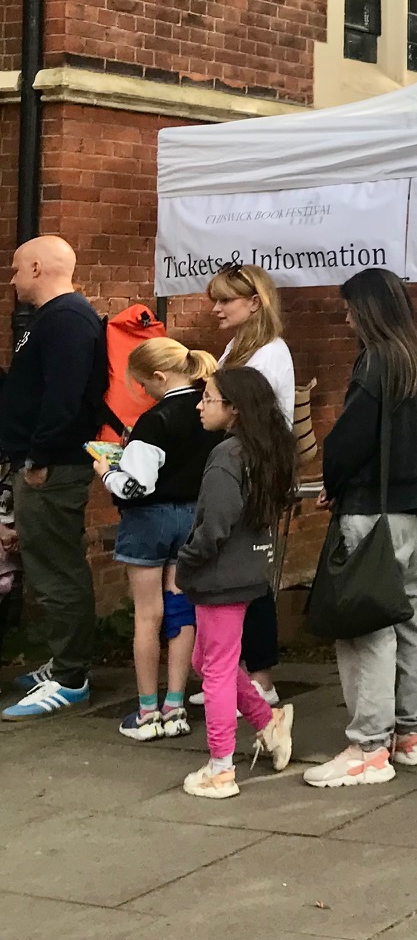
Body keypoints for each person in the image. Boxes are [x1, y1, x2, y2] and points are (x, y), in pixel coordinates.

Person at [303, 268, 417, 790]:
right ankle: (410, 735)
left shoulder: (375, 362)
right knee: (410, 616)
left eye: (349, 309)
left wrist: (332, 480)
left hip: (371, 511)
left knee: (365, 626)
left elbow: (349, 439)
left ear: (368, 310)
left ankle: (367, 746)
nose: (345, 317)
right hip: (411, 509)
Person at [178, 367, 297, 798]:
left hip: (220, 577)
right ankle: (267, 722)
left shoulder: (227, 456)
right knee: (209, 663)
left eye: (207, 398)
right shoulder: (264, 452)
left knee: (215, 671)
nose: (200, 405)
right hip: (249, 574)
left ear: (234, 408)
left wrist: (185, 561)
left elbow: (215, 527)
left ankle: (221, 766)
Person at [0, 236, 105, 720]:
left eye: (18, 269)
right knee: (47, 566)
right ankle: (65, 662)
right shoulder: (56, 318)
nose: (13, 279)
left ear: (38, 268)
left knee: (56, 568)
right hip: (45, 460)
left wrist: (38, 456)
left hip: (52, 465)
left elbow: (61, 398)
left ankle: (71, 676)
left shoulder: (65, 319)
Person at [96, 337, 220, 741]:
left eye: (142, 385)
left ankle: (147, 711)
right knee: (181, 609)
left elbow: (136, 487)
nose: (142, 393)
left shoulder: (154, 420)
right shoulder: (209, 409)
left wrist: (106, 471)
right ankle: (176, 706)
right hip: (192, 516)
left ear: (160, 376)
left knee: (148, 615)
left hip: (149, 521)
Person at [207, 263, 294, 709]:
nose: (217, 308)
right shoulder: (237, 346)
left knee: (253, 577)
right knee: (235, 577)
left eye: (226, 300)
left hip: (256, 473)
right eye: (215, 299)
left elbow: (247, 412)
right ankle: (239, 675)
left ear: (254, 303)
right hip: (238, 468)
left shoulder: (270, 353)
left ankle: (260, 677)